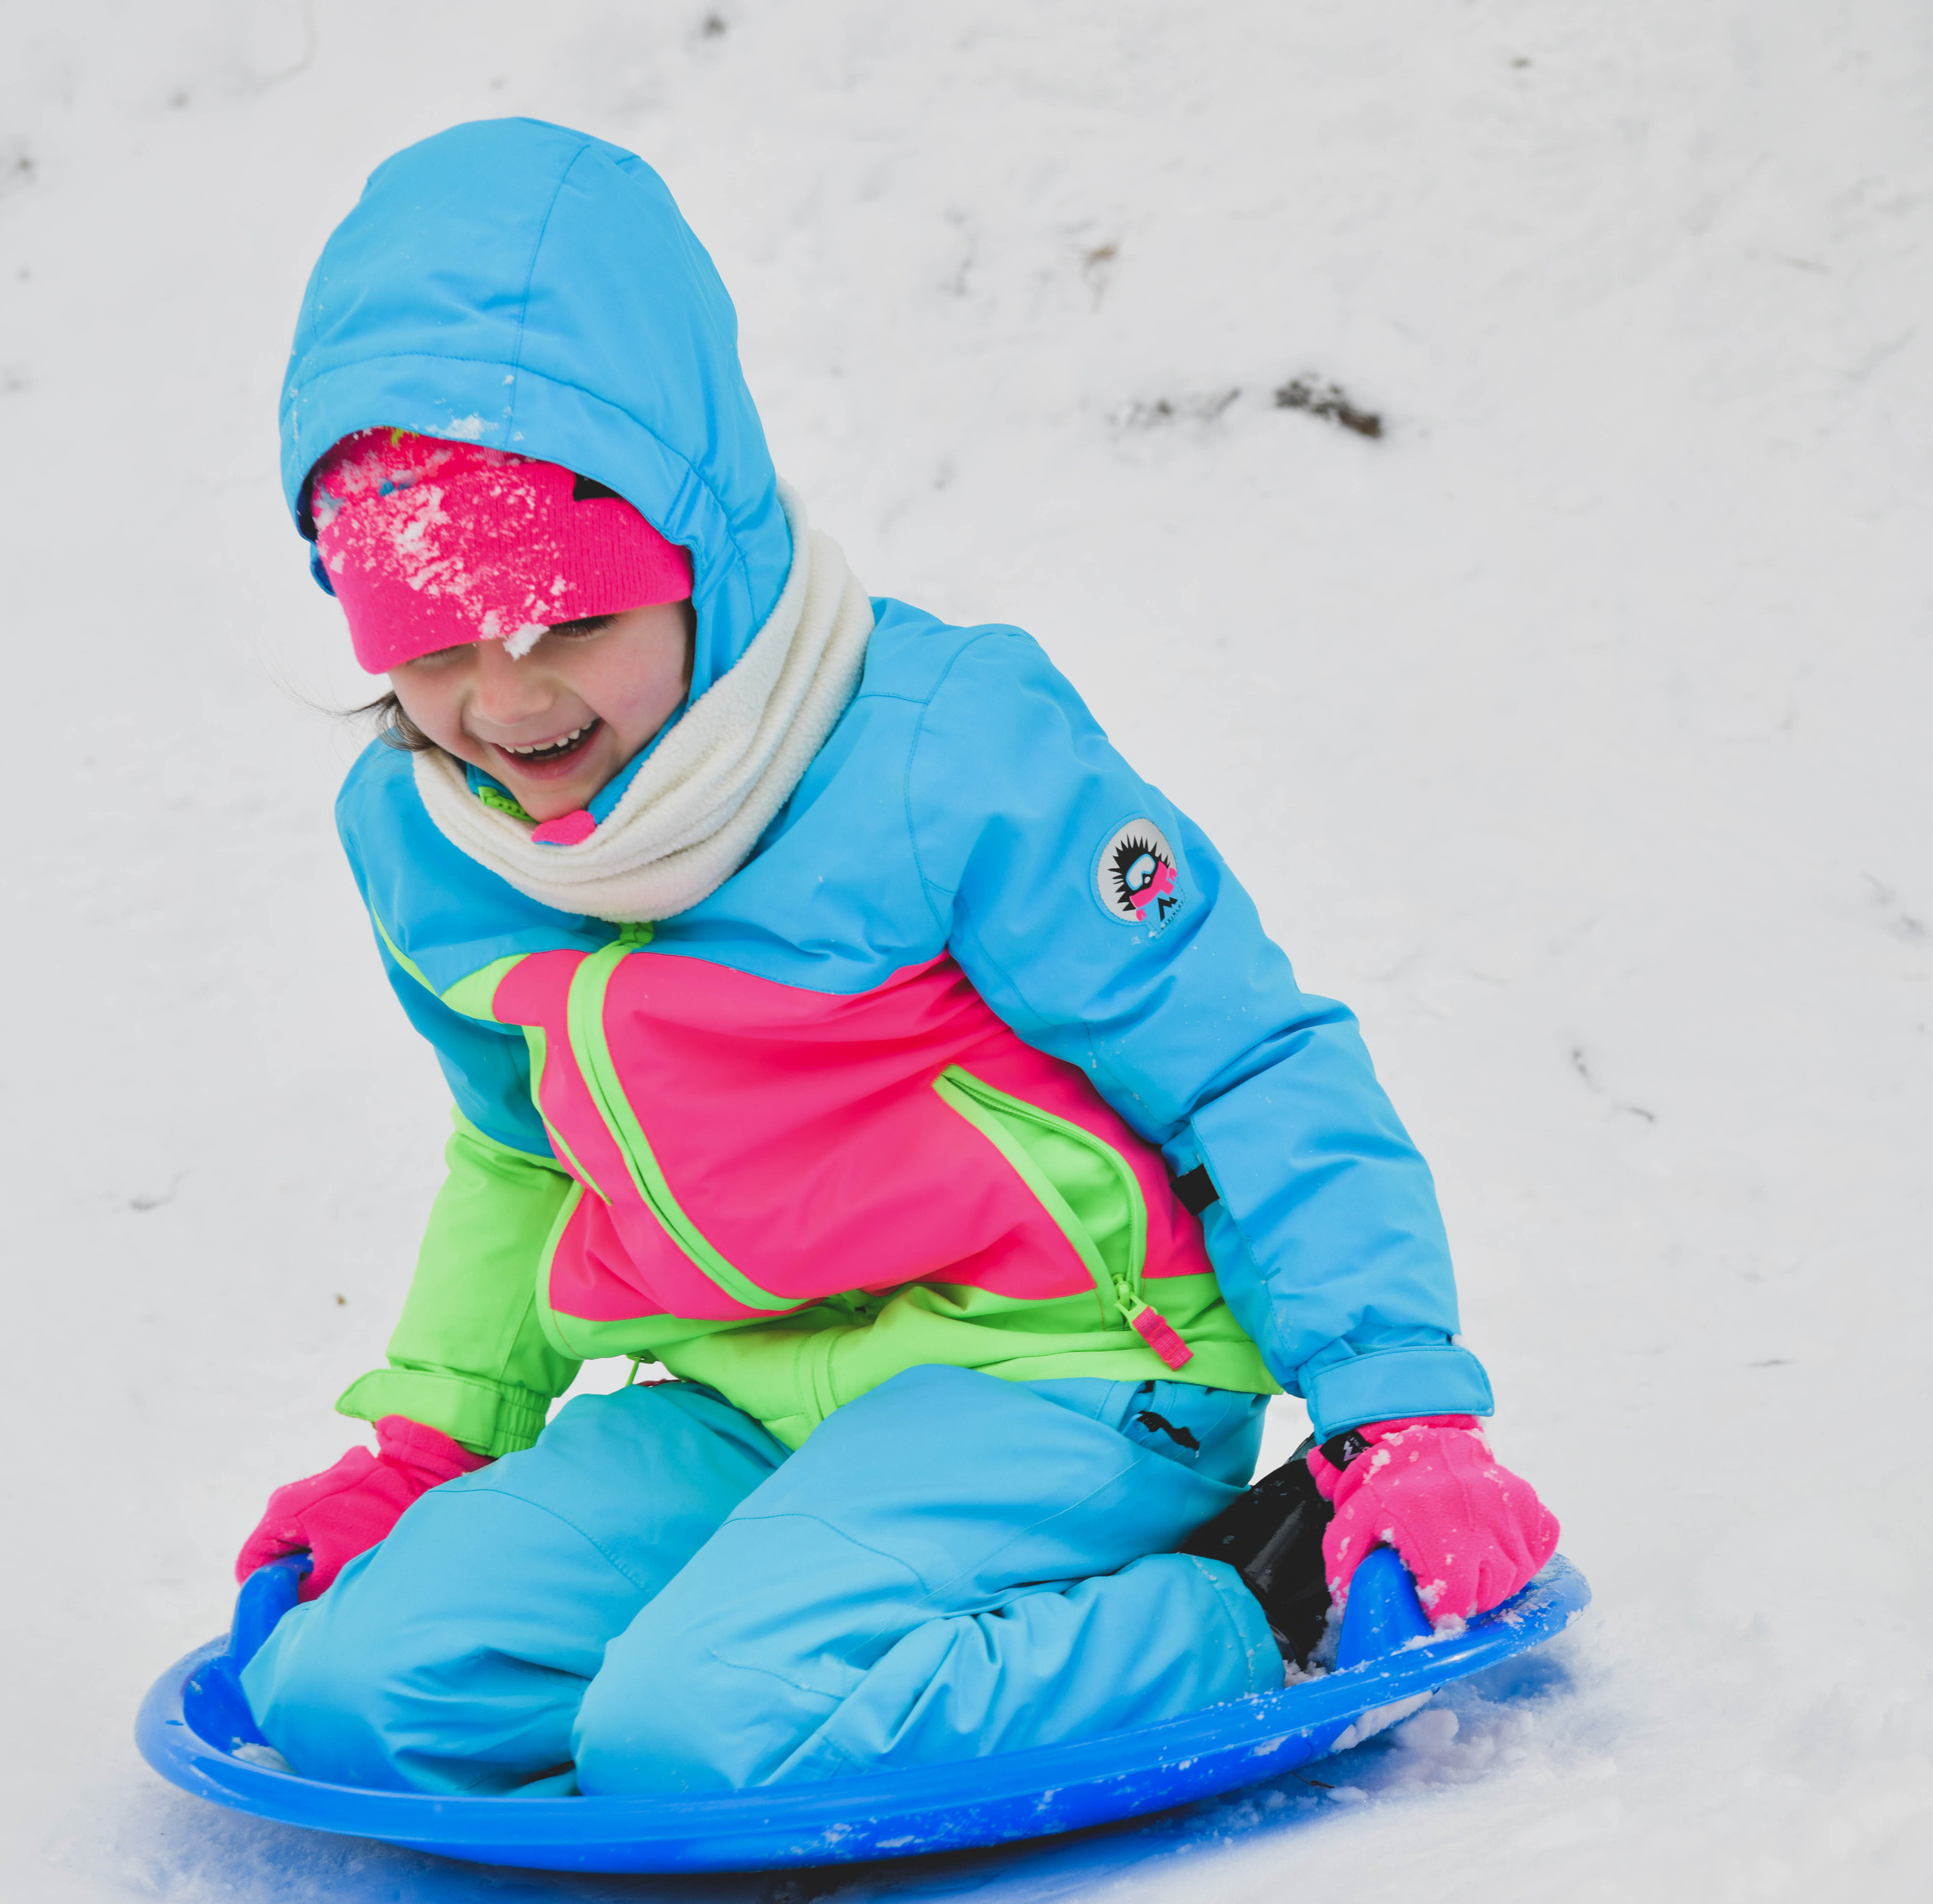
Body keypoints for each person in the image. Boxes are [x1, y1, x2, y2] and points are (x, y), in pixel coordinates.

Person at [236, 117, 1557, 1799]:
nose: (505, 706)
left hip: (1061, 1375)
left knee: (702, 1733)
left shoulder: (936, 752)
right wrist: (426, 1445)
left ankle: (1238, 1599)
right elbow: (519, 1150)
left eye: (567, 617)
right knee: (356, 1696)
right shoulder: (430, 836)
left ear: (693, 554)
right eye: (429, 645)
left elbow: (1240, 1059)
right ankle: (804, 1631)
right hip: (742, 1395)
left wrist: (1400, 1414)